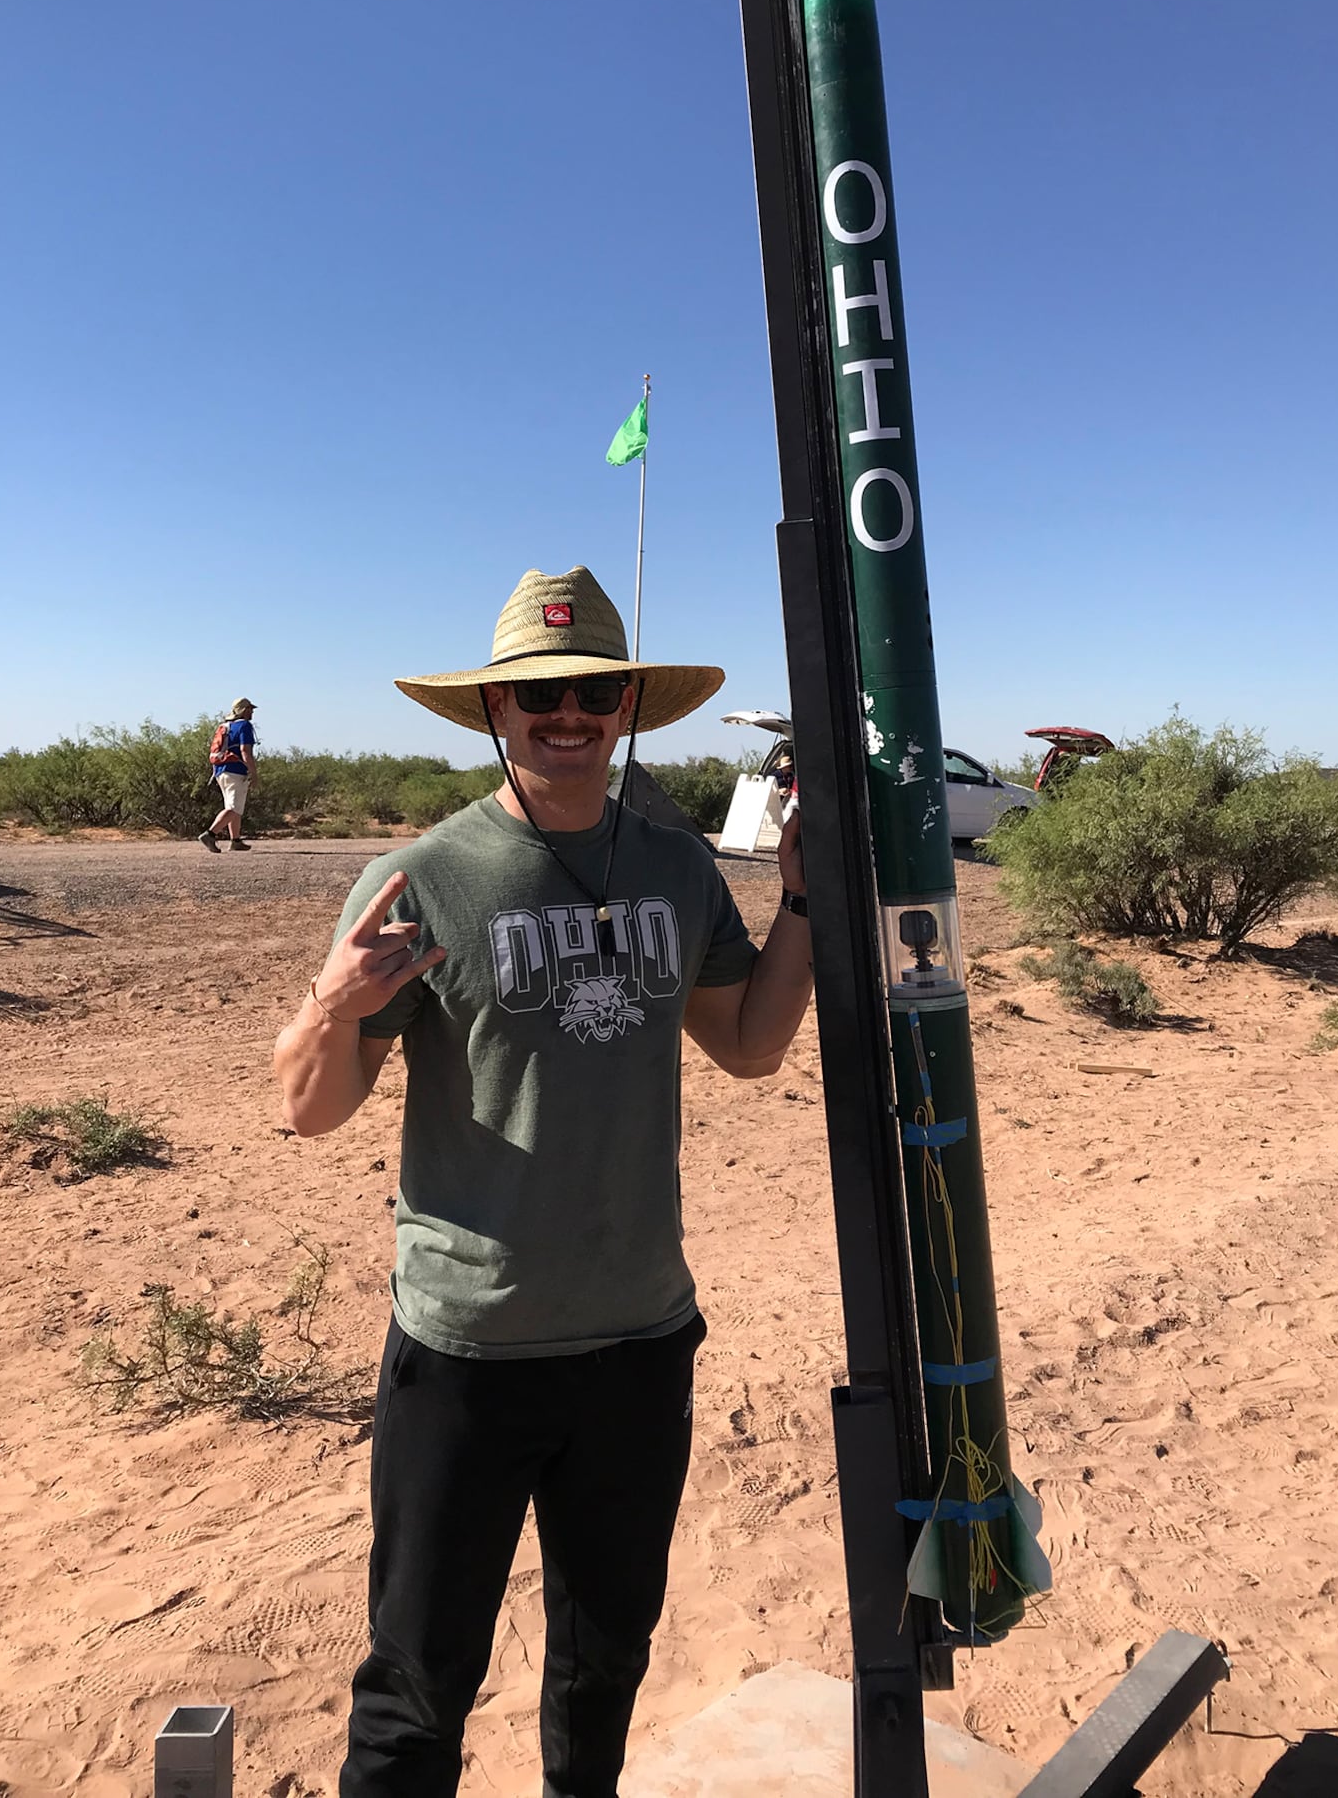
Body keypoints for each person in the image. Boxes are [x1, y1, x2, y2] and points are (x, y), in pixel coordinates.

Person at [272, 566, 814, 1798]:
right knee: (418, 1683)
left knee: (604, 1657)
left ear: (625, 704)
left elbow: (748, 1046)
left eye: (591, 693)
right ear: (493, 713)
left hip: (637, 1339)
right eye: (537, 697)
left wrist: (801, 902)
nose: (565, 716)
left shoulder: (675, 867)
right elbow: (307, 1113)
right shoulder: (424, 878)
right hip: (468, 1349)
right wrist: (334, 1002)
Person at [199, 698, 258, 851]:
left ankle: (235, 840)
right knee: (233, 808)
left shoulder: (226, 726)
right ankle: (210, 834)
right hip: (236, 770)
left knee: (234, 806)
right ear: (244, 710)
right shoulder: (244, 726)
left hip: (220, 771)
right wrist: (254, 773)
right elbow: (245, 752)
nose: (251, 712)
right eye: (250, 709)